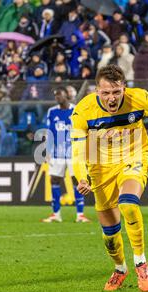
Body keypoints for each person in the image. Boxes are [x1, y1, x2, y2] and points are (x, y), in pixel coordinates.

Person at [70, 65, 148, 292]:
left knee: (128, 204)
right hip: (99, 166)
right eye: (105, 93)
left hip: (134, 156)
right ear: (96, 91)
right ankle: (120, 268)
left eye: (116, 92)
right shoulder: (83, 111)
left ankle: (141, 262)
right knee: (109, 232)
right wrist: (82, 178)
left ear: (124, 88)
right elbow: (78, 150)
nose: (111, 98)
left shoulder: (139, 98)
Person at [42, 87, 90, 223]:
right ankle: (56, 214)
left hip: (74, 152)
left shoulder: (76, 110)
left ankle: (80, 214)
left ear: (67, 95)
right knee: (54, 180)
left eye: (60, 95)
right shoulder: (52, 111)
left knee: (77, 181)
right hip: (57, 153)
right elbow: (48, 131)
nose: (57, 98)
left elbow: (84, 128)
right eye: (56, 96)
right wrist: (47, 149)